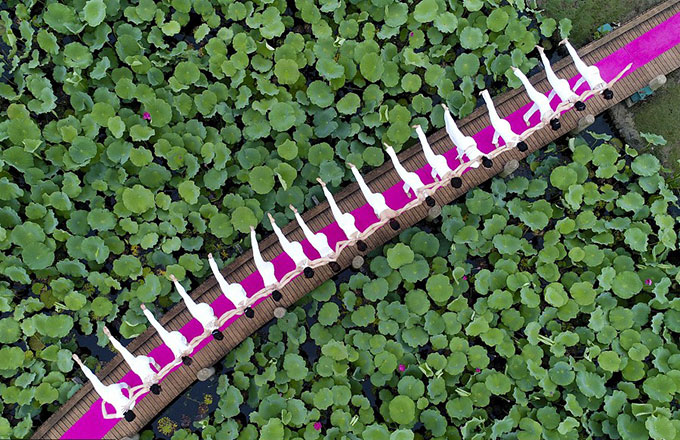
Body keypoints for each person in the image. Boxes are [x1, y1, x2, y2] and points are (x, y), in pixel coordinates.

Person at [72, 354, 136, 421]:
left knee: (123, 385)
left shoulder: (132, 404)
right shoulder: (121, 414)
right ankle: (80, 363)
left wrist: (127, 387)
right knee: (93, 378)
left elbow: (131, 392)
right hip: (107, 396)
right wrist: (103, 404)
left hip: (115, 389)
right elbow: (106, 416)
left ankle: (124, 385)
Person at [103, 327, 163, 395]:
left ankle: (155, 364)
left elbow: (166, 369)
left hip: (142, 361)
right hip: (135, 367)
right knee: (122, 350)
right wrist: (143, 386)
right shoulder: (147, 386)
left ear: (159, 385)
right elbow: (135, 392)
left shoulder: (157, 378)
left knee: (150, 360)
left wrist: (157, 367)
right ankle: (109, 336)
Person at [440, 104, 488, 187]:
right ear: (483, 165)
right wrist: (455, 170)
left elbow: (495, 153)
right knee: (453, 130)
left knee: (451, 133)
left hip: (471, 142)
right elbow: (464, 165)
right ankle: (446, 111)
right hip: (464, 145)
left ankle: (446, 115)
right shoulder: (475, 165)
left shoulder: (486, 156)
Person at [169, 274, 223, 341]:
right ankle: (175, 280)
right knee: (185, 296)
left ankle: (175, 281)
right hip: (197, 312)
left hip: (205, 308)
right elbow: (195, 339)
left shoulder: (218, 323)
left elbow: (218, 317)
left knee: (211, 313)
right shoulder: (207, 332)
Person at [349, 163, 400, 231]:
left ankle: (354, 168)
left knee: (363, 185)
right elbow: (373, 227)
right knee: (362, 185)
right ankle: (353, 168)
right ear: (390, 225)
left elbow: (407, 206)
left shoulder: (396, 213)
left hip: (380, 198)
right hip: (373, 201)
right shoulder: (383, 220)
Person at [317, 178, 364, 251]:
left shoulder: (362, 235)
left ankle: (324, 187)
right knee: (332, 204)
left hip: (348, 220)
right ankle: (324, 187)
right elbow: (338, 244)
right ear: (357, 247)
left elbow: (373, 227)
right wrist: (350, 241)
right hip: (342, 222)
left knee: (333, 204)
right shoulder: (351, 243)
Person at [536, 45, 586, 111]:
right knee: (548, 69)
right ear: (575, 107)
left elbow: (586, 92)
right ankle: (541, 52)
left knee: (553, 89)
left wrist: (574, 90)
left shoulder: (579, 98)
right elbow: (559, 108)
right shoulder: (569, 104)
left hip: (564, 84)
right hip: (558, 86)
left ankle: (541, 56)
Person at [511, 66, 561, 131]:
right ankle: (516, 71)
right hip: (538, 99)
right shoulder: (545, 120)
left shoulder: (556, 115)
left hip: (544, 100)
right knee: (527, 84)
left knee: (534, 108)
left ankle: (526, 117)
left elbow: (558, 113)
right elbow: (541, 124)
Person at [289, 204, 336, 270]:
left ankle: (296, 213)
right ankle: (296, 213)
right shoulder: (325, 261)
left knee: (305, 227)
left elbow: (338, 244)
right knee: (304, 227)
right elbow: (313, 264)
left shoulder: (334, 255)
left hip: (321, 239)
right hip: (316, 242)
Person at [268, 212, 314, 277]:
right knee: (280, 236)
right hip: (290, 250)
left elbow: (323, 260)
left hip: (297, 246)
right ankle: (273, 223)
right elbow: (287, 276)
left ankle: (296, 213)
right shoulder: (299, 269)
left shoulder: (310, 263)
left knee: (303, 227)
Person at [249, 227, 279, 291]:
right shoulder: (268, 290)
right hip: (263, 269)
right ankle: (252, 231)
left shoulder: (278, 286)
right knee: (255, 251)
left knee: (256, 251)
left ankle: (252, 231)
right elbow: (260, 293)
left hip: (270, 268)